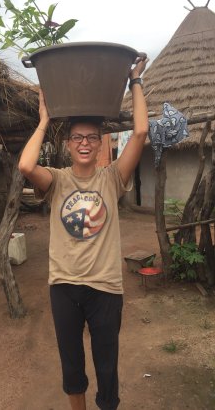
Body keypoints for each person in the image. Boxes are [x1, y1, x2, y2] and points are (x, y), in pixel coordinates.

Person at [18, 57, 149, 410]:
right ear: (69, 144)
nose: (85, 143)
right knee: (72, 367)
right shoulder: (57, 179)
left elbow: (140, 133)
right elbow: (26, 166)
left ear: (101, 143)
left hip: (106, 288)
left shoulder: (113, 178)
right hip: (64, 287)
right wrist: (45, 120)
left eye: (93, 137)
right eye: (78, 137)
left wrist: (135, 80)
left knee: (107, 368)